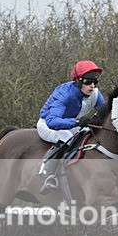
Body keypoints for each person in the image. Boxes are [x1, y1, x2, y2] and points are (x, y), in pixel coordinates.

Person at [36, 60, 106, 193]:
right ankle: (47, 173)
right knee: (66, 136)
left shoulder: (95, 94)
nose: (92, 86)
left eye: (95, 82)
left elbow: (105, 114)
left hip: (70, 124)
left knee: (89, 134)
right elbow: (52, 121)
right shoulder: (64, 94)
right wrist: (77, 122)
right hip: (47, 125)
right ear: (78, 82)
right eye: (88, 82)